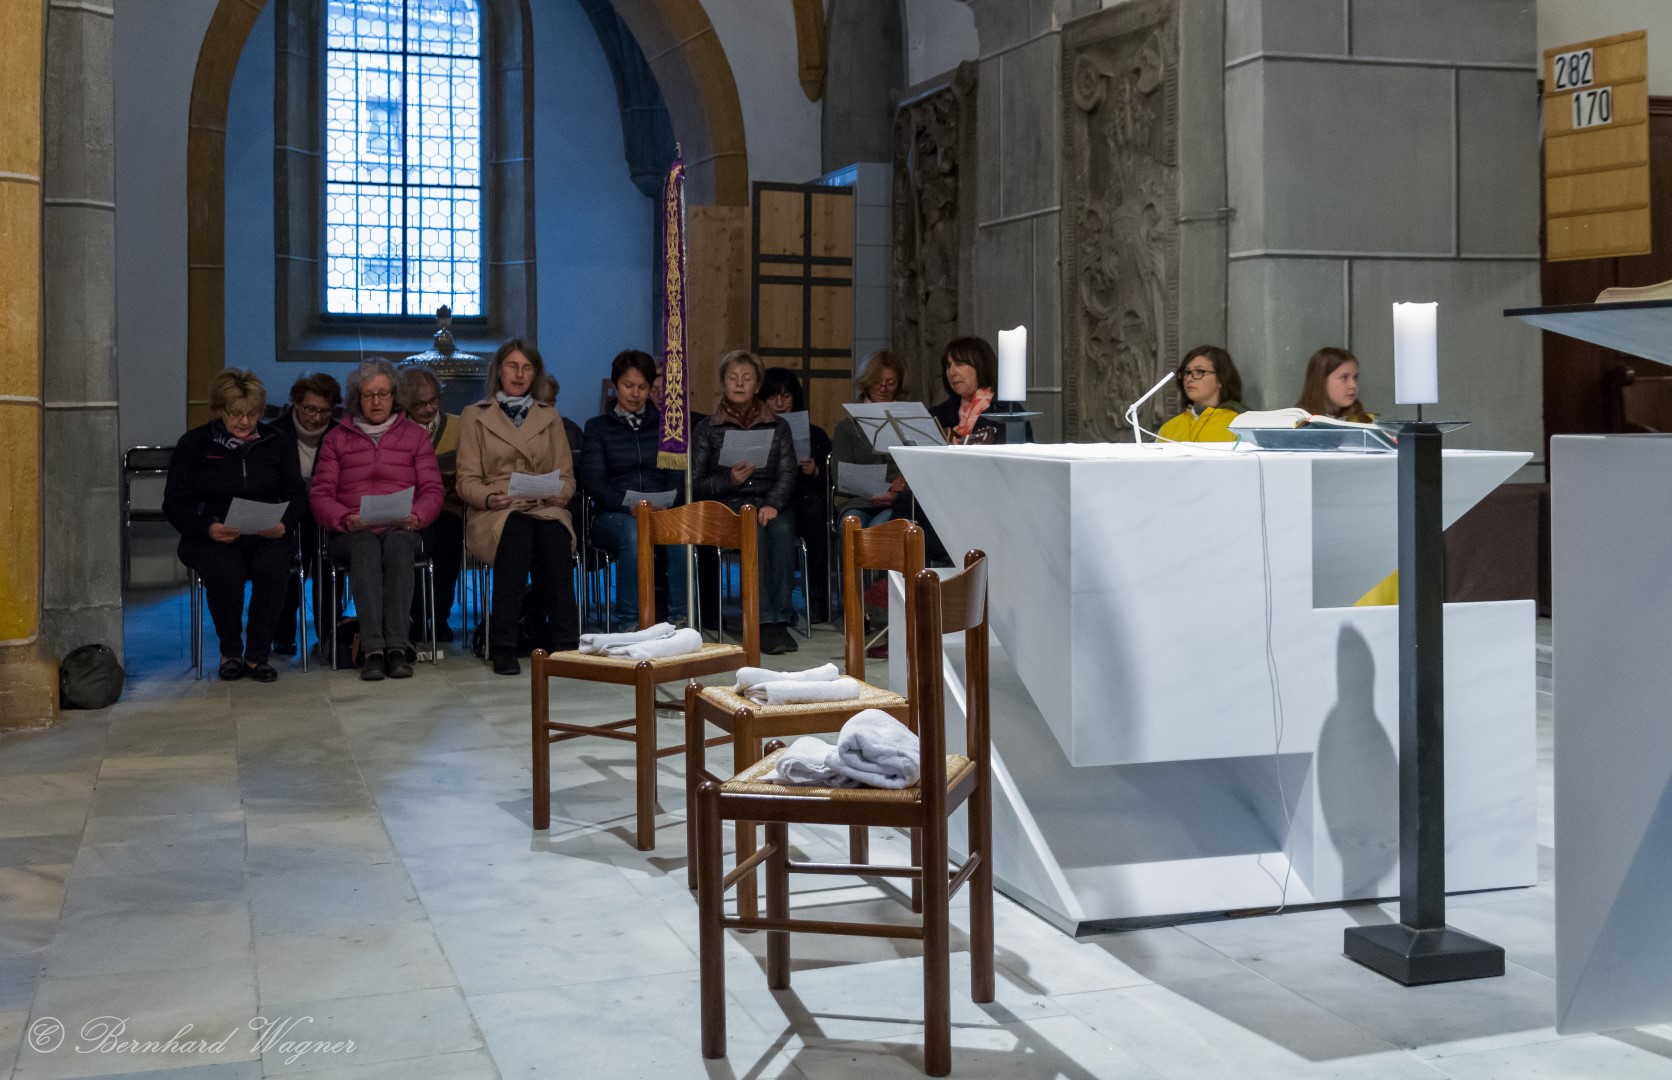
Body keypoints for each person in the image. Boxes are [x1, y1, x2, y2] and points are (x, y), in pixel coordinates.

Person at [164, 368, 305, 682]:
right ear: (219, 410)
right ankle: (230, 651)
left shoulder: (277, 442)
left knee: (274, 566)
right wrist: (207, 527)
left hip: (265, 532)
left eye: (252, 414)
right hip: (212, 534)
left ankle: (257, 655)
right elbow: (174, 503)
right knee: (225, 569)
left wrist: (283, 524)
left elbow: (297, 494)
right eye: (236, 414)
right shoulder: (194, 444)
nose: (245, 422)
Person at [310, 358, 444, 681]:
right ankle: (372, 649)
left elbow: (433, 490)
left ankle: (397, 648)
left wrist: (417, 515)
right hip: (352, 530)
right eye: (369, 395)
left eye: (383, 394)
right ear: (357, 398)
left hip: (401, 526)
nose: (377, 401)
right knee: (366, 547)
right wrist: (345, 518)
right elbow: (320, 495)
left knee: (398, 547)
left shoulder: (414, 436)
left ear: (395, 396)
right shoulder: (336, 438)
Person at [456, 339, 581, 676]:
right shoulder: (474, 415)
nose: (519, 374)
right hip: (496, 509)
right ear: (499, 370)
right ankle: (504, 644)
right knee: (516, 533)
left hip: (543, 503)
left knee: (554, 535)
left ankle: (566, 642)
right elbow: (466, 480)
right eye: (513, 366)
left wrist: (560, 494)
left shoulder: (549, 416)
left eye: (527, 368)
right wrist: (488, 498)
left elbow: (566, 475)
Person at [689, 350, 799, 655]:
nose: (739, 384)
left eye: (746, 378)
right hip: (728, 504)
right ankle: (762, 622)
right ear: (723, 383)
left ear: (757, 385)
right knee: (755, 531)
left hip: (769, 501)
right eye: (733, 378)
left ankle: (781, 619)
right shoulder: (707, 428)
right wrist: (729, 480)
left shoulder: (778, 426)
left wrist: (773, 502)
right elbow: (695, 482)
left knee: (781, 529)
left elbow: (788, 472)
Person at [580, 349, 688, 628]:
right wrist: (626, 506)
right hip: (613, 513)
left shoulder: (667, 426)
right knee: (633, 532)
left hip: (660, 508)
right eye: (628, 385)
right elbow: (593, 480)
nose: (635, 393)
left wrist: (667, 503)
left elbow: (676, 474)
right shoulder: (597, 427)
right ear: (616, 385)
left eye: (643, 387)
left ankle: (680, 617)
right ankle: (629, 621)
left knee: (679, 530)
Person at [269, 372, 341, 658]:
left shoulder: (339, 434)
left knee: (327, 560)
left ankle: (329, 635)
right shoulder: (275, 433)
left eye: (325, 411)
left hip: (324, 514)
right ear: (297, 403)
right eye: (310, 409)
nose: (316, 417)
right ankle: (282, 634)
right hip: (286, 515)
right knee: (286, 561)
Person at [759, 366, 834, 623]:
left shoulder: (815, 434)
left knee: (816, 514)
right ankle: (774, 605)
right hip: (771, 501)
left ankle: (817, 599)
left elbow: (832, 481)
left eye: (786, 396)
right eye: (772, 397)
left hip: (804, 501)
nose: (780, 403)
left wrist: (816, 471)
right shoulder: (758, 431)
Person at [402, 367, 464, 642]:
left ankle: (439, 617)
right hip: (410, 511)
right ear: (405, 404)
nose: (428, 409)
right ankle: (416, 616)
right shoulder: (399, 430)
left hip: (449, 508)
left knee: (447, 541)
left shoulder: (459, 426)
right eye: (419, 405)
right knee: (413, 542)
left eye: (433, 401)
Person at [832, 350, 910, 529]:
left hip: (898, 501)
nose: (883, 388)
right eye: (877, 382)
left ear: (899, 386)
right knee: (852, 525)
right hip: (858, 502)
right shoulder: (847, 426)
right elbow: (841, 478)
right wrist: (882, 489)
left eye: (890, 383)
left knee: (878, 527)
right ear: (866, 382)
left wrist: (895, 492)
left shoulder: (908, 421)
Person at [930, 336, 1028, 444]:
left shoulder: (1008, 411)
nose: (952, 372)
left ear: (980, 367)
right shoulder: (941, 412)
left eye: (960, 364)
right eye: (948, 366)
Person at [1157, 346, 1246, 443]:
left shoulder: (1240, 425)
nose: (1189, 378)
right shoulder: (1167, 429)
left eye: (1199, 372)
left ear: (1221, 379)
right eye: (1187, 372)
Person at [1297, 347, 1374, 422]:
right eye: (1344, 377)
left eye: (1355, 377)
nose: (1354, 385)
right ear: (1321, 381)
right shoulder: (1297, 422)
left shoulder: (1364, 422)